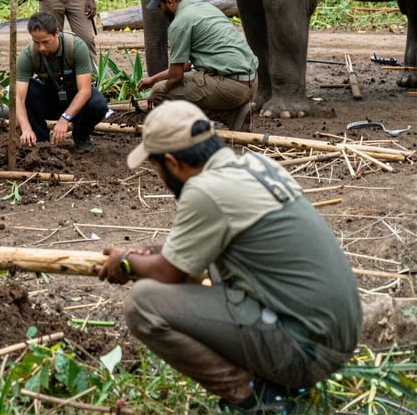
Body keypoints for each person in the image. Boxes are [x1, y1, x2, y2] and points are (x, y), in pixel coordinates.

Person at [99, 101, 361, 414]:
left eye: (157, 169)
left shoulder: (204, 190)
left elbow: (170, 273)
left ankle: (258, 401)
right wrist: (152, 253)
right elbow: (189, 253)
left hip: (304, 352)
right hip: (333, 338)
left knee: (143, 304)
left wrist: (126, 262)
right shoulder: (256, 166)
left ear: (172, 162)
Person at [137, 0, 258, 131]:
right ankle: (237, 113)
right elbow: (186, 65)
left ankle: (229, 116)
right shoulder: (205, 8)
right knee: (167, 84)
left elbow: (176, 77)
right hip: (252, 83)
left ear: (169, 2)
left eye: (159, 6)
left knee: (160, 92)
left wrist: (156, 89)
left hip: (231, 88)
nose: (160, 11)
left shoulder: (179, 24)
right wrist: (152, 79)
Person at [16, 11, 108, 153]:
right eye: (36, 42)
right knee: (28, 89)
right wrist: (26, 128)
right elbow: (19, 98)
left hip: (75, 100)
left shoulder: (76, 47)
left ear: (57, 33)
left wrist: (65, 119)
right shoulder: (28, 55)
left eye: (45, 42)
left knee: (98, 104)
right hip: (49, 100)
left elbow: (85, 91)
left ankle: (81, 136)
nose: (41, 47)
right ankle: (41, 141)